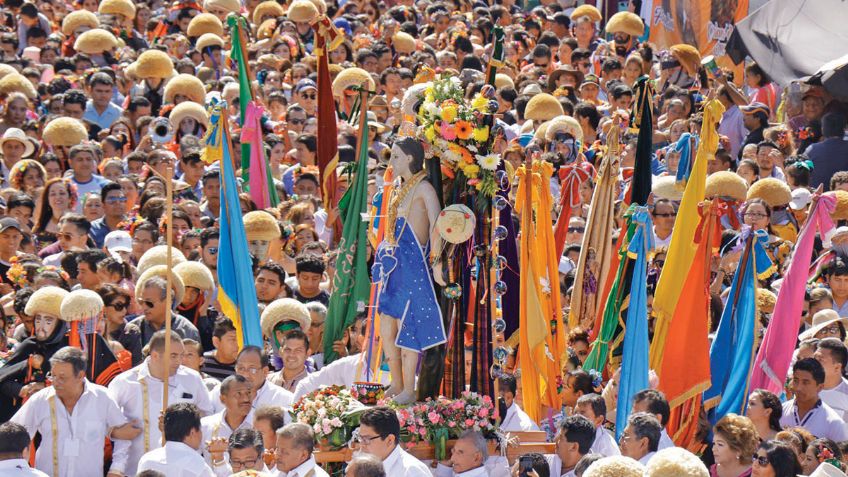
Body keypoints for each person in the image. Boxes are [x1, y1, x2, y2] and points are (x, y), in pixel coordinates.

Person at [10, 347, 137, 477]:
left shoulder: (102, 398)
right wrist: (20, 470)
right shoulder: (41, 400)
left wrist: (116, 470)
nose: (56, 382)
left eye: (62, 377)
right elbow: (13, 437)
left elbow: (123, 437)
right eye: (53, 376)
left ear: (80, 376)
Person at [108, 330, 214, 477]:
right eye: (173, 356)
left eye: (182, 355)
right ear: (155, 355)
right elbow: (103, 418)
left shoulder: (192, 379)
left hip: (184, 470)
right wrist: (115, 432)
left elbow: (208, 417)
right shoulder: (125, 382)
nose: (180, 361)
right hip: (137, 469)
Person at [120, 275, 201, 365]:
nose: (144, 307)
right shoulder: (132, 330)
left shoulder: (188, 331)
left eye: (149, 303)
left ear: (168, 301)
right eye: (141, 302)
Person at [137, 402, 216, 477]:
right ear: (192, 432)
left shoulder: (146, 460)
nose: (201, 435)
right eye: (200, 430)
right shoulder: (198, 465)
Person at [779, 358, 848, 441]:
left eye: (806, 382)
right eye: (796, 380)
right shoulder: (780, 411)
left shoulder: (834, 424)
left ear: (820, 387)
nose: (799, 388)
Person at [209, 346, 293, 413]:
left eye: (252, 369)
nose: (245, 374)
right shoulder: (219, 393)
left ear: (265, 371)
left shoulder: (283, 399)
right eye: (241, 368)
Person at [356, 406, 431, 477]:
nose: (361, 444)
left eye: (366, 439)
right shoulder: (366, 467)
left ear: (390, 440)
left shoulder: (411, 472)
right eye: (360, 438)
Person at [201, 374, 254, 466]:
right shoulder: (205, 426)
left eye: (248, 393)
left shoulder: (262, 425)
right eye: (238, 394)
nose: (245, 399)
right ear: (222, 399)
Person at [807, 113, 848, 191]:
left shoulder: (812, 149)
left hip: (819, 197)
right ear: (844, 129)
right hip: (843, 197)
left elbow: (801, 171)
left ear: (823, 129)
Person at [814, 338, 848, 420]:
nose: (813, 363)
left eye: (820, 359)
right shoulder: (804, 387)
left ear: (837, 367)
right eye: (814, 358)